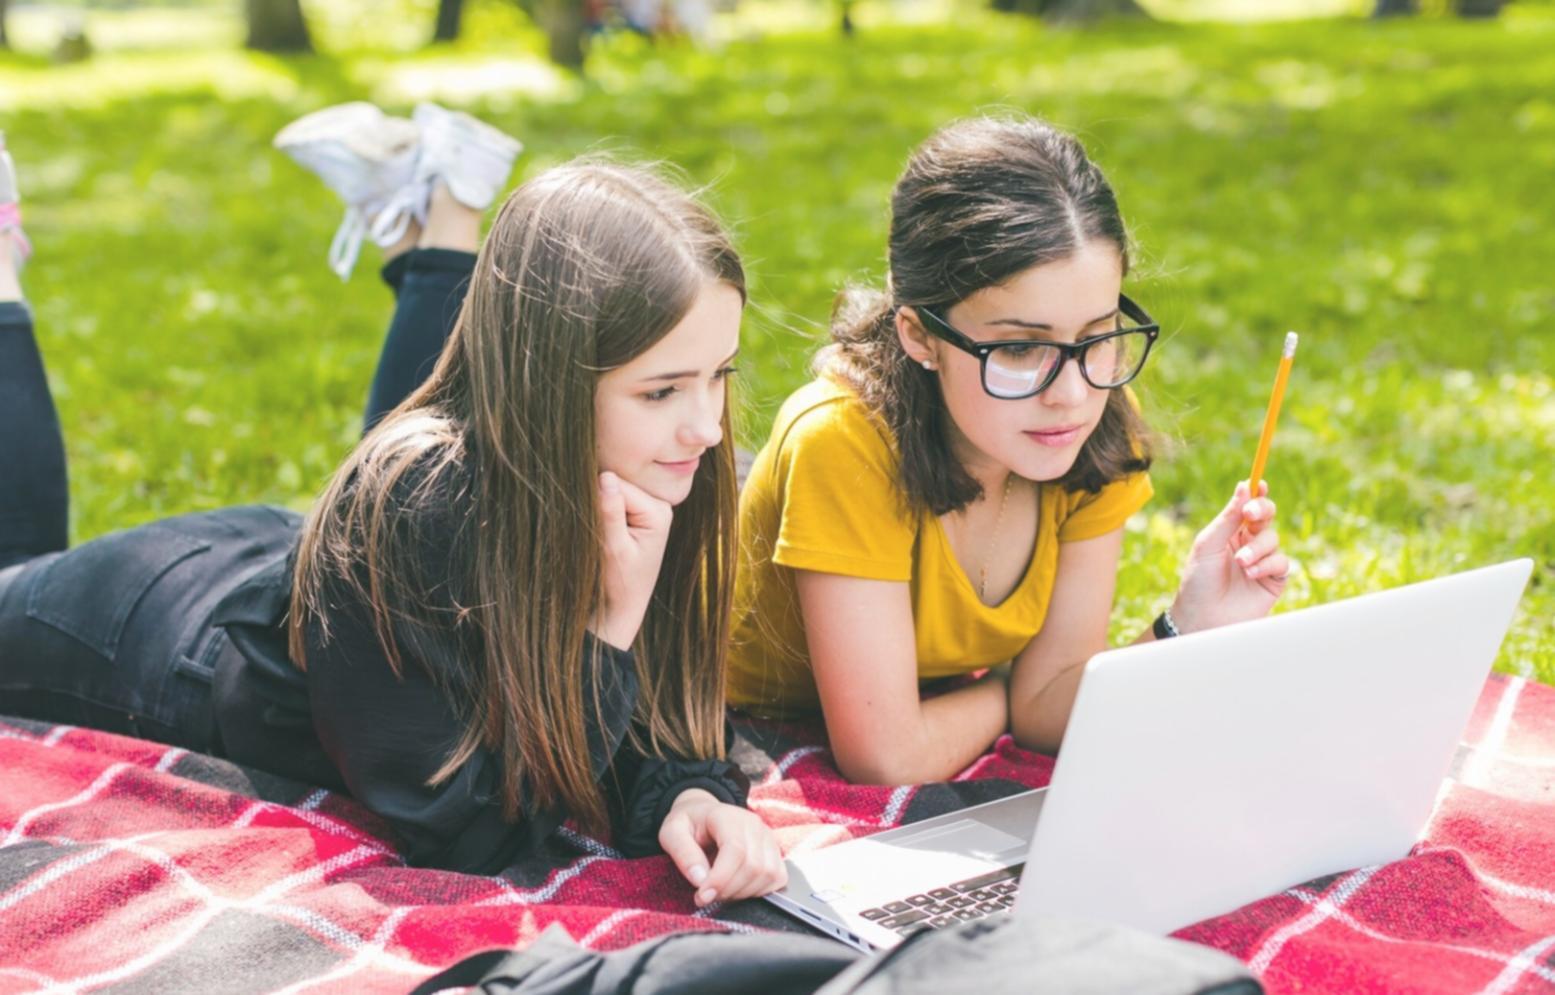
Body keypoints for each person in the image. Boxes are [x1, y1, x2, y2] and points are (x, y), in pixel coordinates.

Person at [0, 106, 785, 909]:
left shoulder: (664, 460)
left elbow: (662, 716)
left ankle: (437, 211)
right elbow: (469, 831)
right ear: (547, 381)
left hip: (307, 572)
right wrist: (607, 631)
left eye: (718, 372)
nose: (708, 423)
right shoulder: (412, 508)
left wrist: (693, 796)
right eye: (661, 389)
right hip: (156, 631)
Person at [726, 115, 1291, 785]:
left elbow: (1049, 702)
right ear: (918, 335)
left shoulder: (1094, 428)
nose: (1072, 394)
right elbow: (885, 757)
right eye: (1022, 348)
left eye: (1098, 335)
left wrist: (1185, 622)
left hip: (931, 703)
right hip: (738, 706)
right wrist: (1004, 693)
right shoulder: (842, 443)